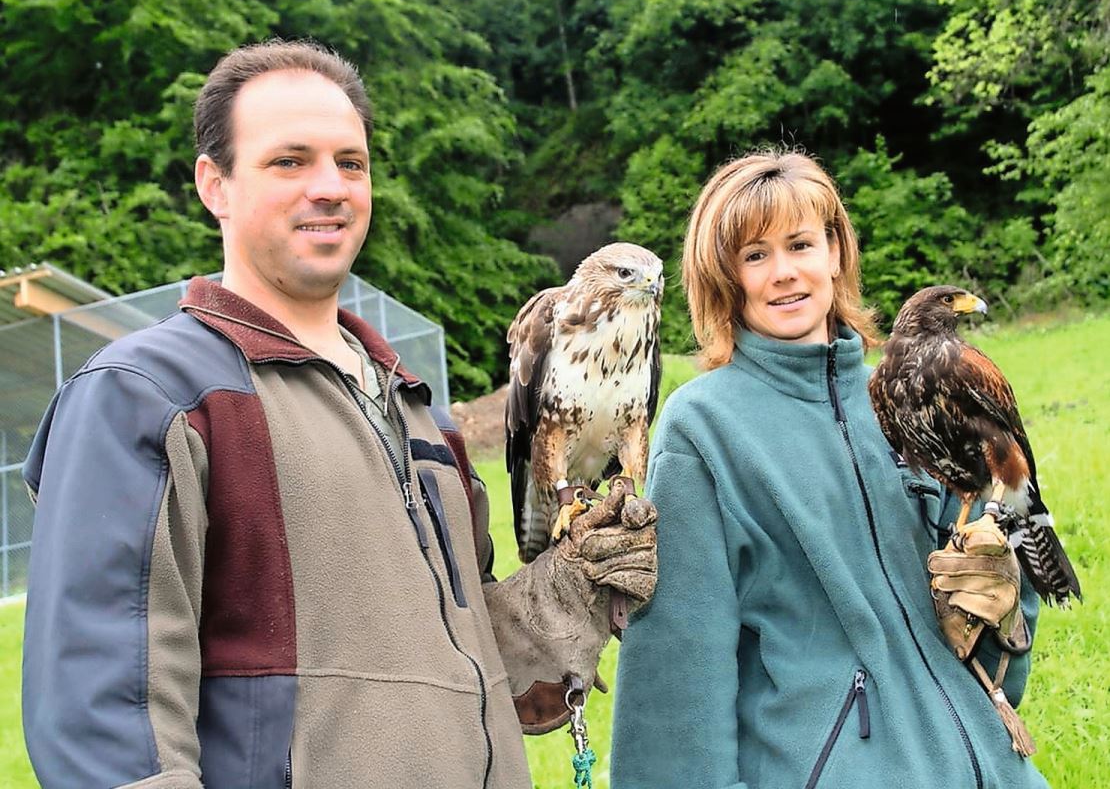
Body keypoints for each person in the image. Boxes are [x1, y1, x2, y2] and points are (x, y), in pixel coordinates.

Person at [21, 39, 657, 789]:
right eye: (289, 161)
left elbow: (473, 670)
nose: (329, 186)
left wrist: (570, 589)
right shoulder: (147, 395)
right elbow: (108, 727)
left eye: (350, 163)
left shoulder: (423, 418)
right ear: (214, 185)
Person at [609, 151, 1047, 788]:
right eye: (755, 255)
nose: (784, 272)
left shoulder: (908, 400)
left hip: (994, 769)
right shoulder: (703, 427)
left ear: (836, 251)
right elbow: (677, 673)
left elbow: (999, 664)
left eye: (801, 244)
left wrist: (1007, 605)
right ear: (726, 276)